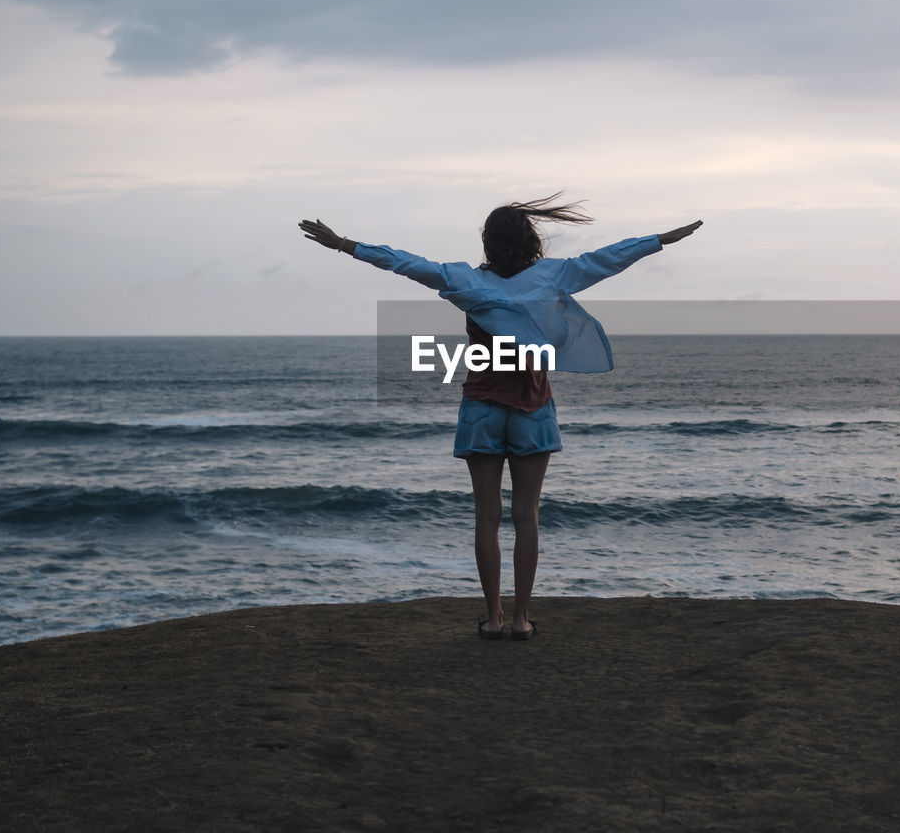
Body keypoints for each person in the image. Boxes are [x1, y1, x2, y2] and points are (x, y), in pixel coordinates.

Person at [299, 198, 701, 640]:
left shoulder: (463, 278)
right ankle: (521, 619)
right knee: (527, 514)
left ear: (488, 243)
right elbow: (609, 258)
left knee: (486, 515)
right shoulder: (554, 275)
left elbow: (403, 262)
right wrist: (659, 240)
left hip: (482, 408)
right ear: (530, 240)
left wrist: (343, 244)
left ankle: (492, 618)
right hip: (532, 405)